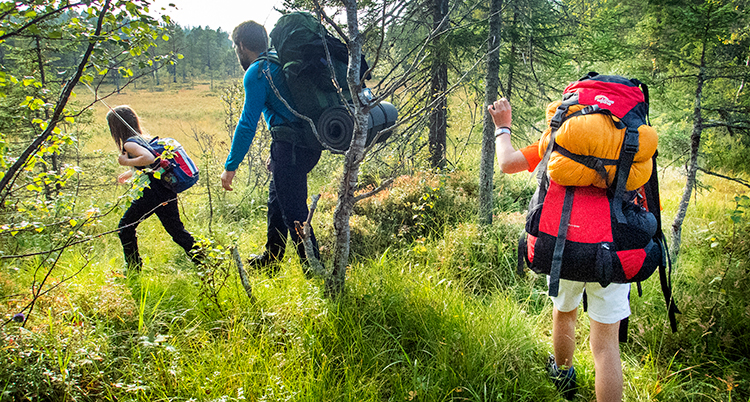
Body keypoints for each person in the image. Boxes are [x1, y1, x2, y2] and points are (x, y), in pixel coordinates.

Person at [489, 98, 626, 402]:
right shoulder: (627, 140)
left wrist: (503, 127)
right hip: (613, 247)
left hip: (566, 242)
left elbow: (507, 163)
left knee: (565, 312)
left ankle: (563, 375)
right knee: (606, 346)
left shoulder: (558, 140)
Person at [220, 20, 321, 273]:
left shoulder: (257, 71)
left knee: (295, 213)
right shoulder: (278, 60)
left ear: (242, 46)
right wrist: (276, 156)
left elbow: (246, 124)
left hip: (292, 148)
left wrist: (230, 166)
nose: (237, 51)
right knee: (277, 200)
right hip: (307, 143)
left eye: (236, 47)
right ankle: (272, 257)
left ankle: (315, 271)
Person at [108, 105, 198, 272]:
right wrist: (128, 174)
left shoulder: (129, 144)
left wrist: (125, 162)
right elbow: (151, 163)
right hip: (165, 188)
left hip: (153, 191)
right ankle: (205, 261)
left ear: (116, 128)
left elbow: (148, 158)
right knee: (177, 231)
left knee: (125, 227)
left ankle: (134, 269)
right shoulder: (142, 138)